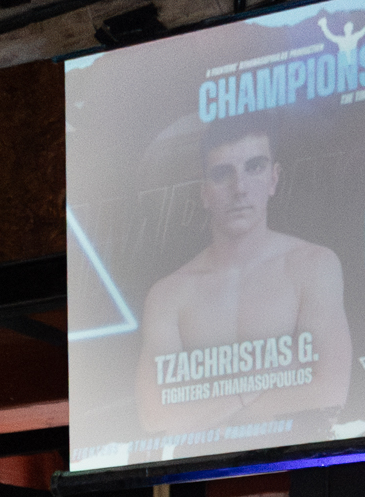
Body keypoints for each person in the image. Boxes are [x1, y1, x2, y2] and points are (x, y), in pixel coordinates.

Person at [135, 122, 352, 437]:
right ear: (204, 192)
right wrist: (251, 388)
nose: (240, 188)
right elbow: (155, 417)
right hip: (202, 463)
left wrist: (210, 412)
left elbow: (331, 393)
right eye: (223, 173)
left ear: (274, 178)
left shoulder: (313, 265)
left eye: (255, 167)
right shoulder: (168, 295)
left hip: (299, 454)